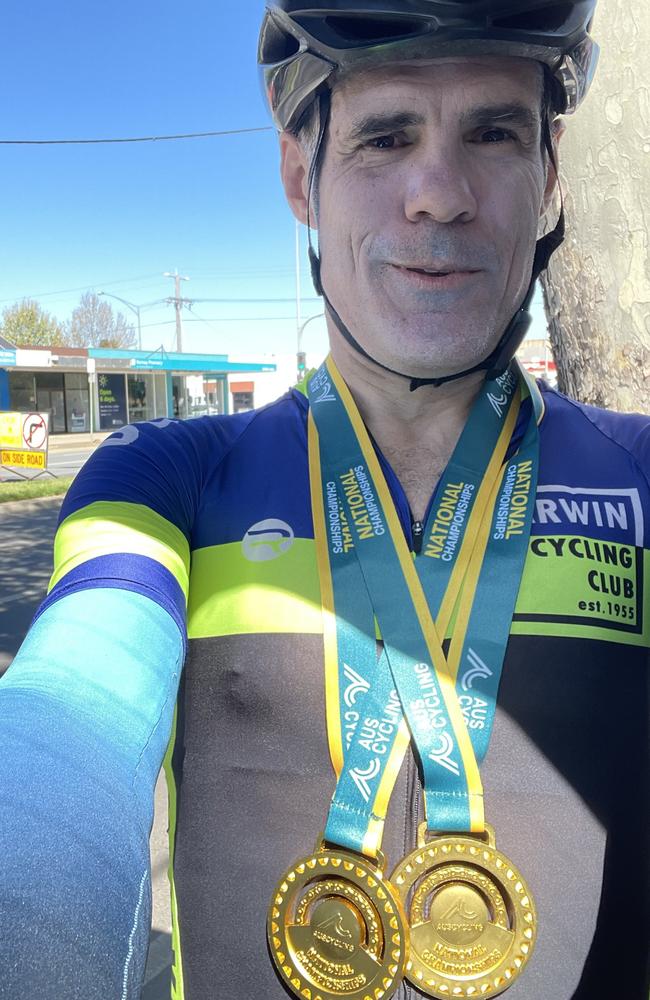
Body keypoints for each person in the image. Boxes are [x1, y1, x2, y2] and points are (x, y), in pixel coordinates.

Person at [1, 2, 648, 999]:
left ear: (549, 174)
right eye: (385, 137)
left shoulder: (640, 478)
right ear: (301, 178)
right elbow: (66, 718)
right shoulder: (169, 479)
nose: (436, 195)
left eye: (492, 132)